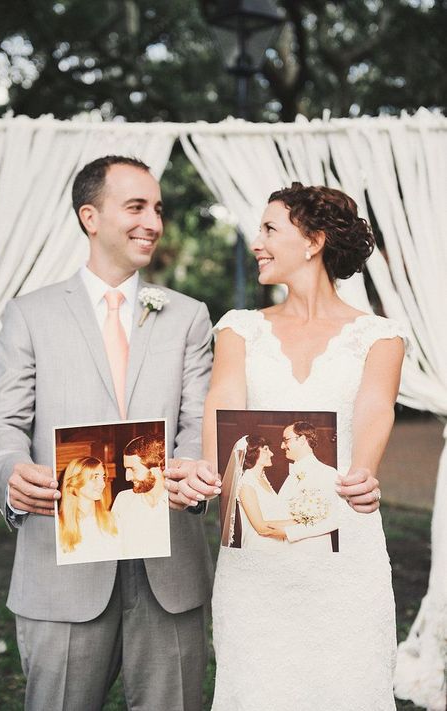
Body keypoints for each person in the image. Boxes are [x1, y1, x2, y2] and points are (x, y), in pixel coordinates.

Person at [0, 155, 214, 711]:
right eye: (136, 207)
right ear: (90, 216)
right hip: (62, 566)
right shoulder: (28, 314)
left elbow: (198, 422)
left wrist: (189, 472)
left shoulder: (188, 316)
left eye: (157, 209)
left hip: (169, 569)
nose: (153, 222)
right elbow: (2, 424)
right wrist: (12, 472)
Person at [169, 182, 406, 710]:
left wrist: (363, 472)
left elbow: (374, 409)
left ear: (314, 241)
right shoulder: (238, 329)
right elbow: (222, 405)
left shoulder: (380, 336)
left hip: (345, 552)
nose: (257, 241)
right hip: (257, 562)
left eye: (270, 229)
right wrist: (210, 472)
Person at [278, 421, 340, 553]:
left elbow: (335, 519)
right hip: (284, 551)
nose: (282, 446)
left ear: (301, 439)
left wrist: (291, 532)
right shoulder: (291, 475)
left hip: (313, 551)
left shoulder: (327, 473)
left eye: (285, 440)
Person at [111, 434, 170, 559]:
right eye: (126, 469)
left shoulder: (177, 501)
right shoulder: (123, 500)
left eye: (133, 469)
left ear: (157, 467)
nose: (127, 477)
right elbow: (113, 547)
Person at [57, 456, 118, 565]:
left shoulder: (113, 520)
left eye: (103, 477)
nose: (102, 484)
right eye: (95, 477)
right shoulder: (58, 526)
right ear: (76, 481)